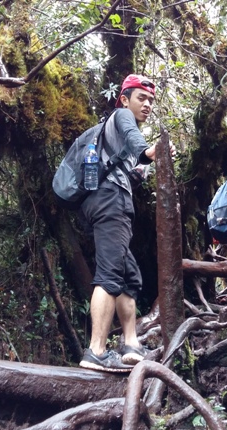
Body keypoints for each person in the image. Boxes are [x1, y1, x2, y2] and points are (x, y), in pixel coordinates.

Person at [77, 74, 163, 372]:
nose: (148, 104)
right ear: (125, 98)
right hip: (110, 204)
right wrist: (148, 153)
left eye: (151, 100)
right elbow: (136, 139)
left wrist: (138, 170)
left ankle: (131, 345)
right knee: (111, 275)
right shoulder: (122, 117)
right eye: (142, 98)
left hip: (106, 204)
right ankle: (96, 351)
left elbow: (125, 171)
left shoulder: (113, 137)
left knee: (129, 276)